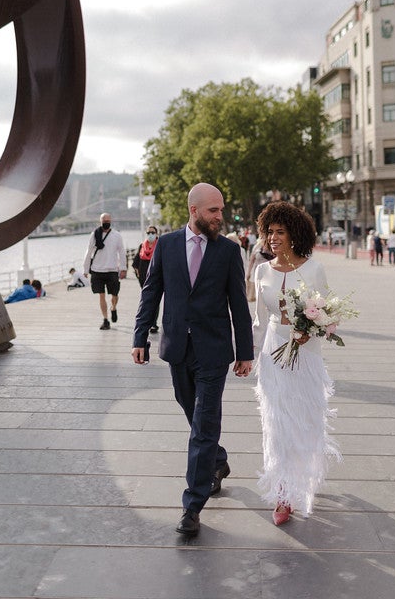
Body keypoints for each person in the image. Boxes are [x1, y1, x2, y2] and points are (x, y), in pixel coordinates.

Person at [132, 182, 254, 537]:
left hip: (214, 352)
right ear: (194, 211)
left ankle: (192, 505)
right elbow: (151, 292)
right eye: (213, 211)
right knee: (190, 409)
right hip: (177, 349)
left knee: (203, 424)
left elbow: (239, 307)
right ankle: (217, 461)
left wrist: (244, 351)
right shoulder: (167, 245)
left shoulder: (229, 251)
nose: (220, 216)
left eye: (221, 210)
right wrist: (140, 336)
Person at [253, 201, 341, 525]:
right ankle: (282, 494)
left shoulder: (314, 269)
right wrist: (247, 356)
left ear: (294, 234)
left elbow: (329, 313)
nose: (273, 237)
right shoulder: (261, 271)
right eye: (270, 231)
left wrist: (310, 332)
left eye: (280, 231)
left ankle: (302, 478)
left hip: (305, 355)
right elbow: (259, 321)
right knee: (276, 423)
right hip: (273, 355)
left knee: (303, 422)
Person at [83, 213, 127, 330]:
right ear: (100, 221)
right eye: (104, 220)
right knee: (101, 296)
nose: (106, 222)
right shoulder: (94, 234)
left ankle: (113, 308)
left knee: (115, 295)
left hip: (112, 270)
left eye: (108, 220)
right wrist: (85, 269)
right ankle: (105, 320)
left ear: (111, 221)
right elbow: (88, 252)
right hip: (97, 270)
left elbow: (122, 252)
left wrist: (123, 268)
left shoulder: (116, 235)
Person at [132, 226, 160, 332]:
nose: (150, 234)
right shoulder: (142, 246)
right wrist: (138, 274)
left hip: (157, 278)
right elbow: (135, 263)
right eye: (148, 232)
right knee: (146, 301)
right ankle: (147, 323)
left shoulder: (160, 245)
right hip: (144, 279)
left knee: (155, 300)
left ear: (156, 233)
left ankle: (154, 323)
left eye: (153, 232)